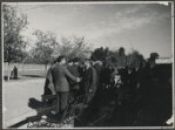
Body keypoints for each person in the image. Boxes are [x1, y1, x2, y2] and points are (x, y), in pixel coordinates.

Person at [51, 55, 81, 122]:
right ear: (62, 60)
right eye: (64, 60)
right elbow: (71, 77)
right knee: (64, 104)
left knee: (58, 103)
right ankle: (62, 119)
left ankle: (57, 117)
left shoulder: (54, 68)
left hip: (57, 88)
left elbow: (53, 79)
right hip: (64, 88)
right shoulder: (63, 68)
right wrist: (78, 79)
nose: (65, 61)